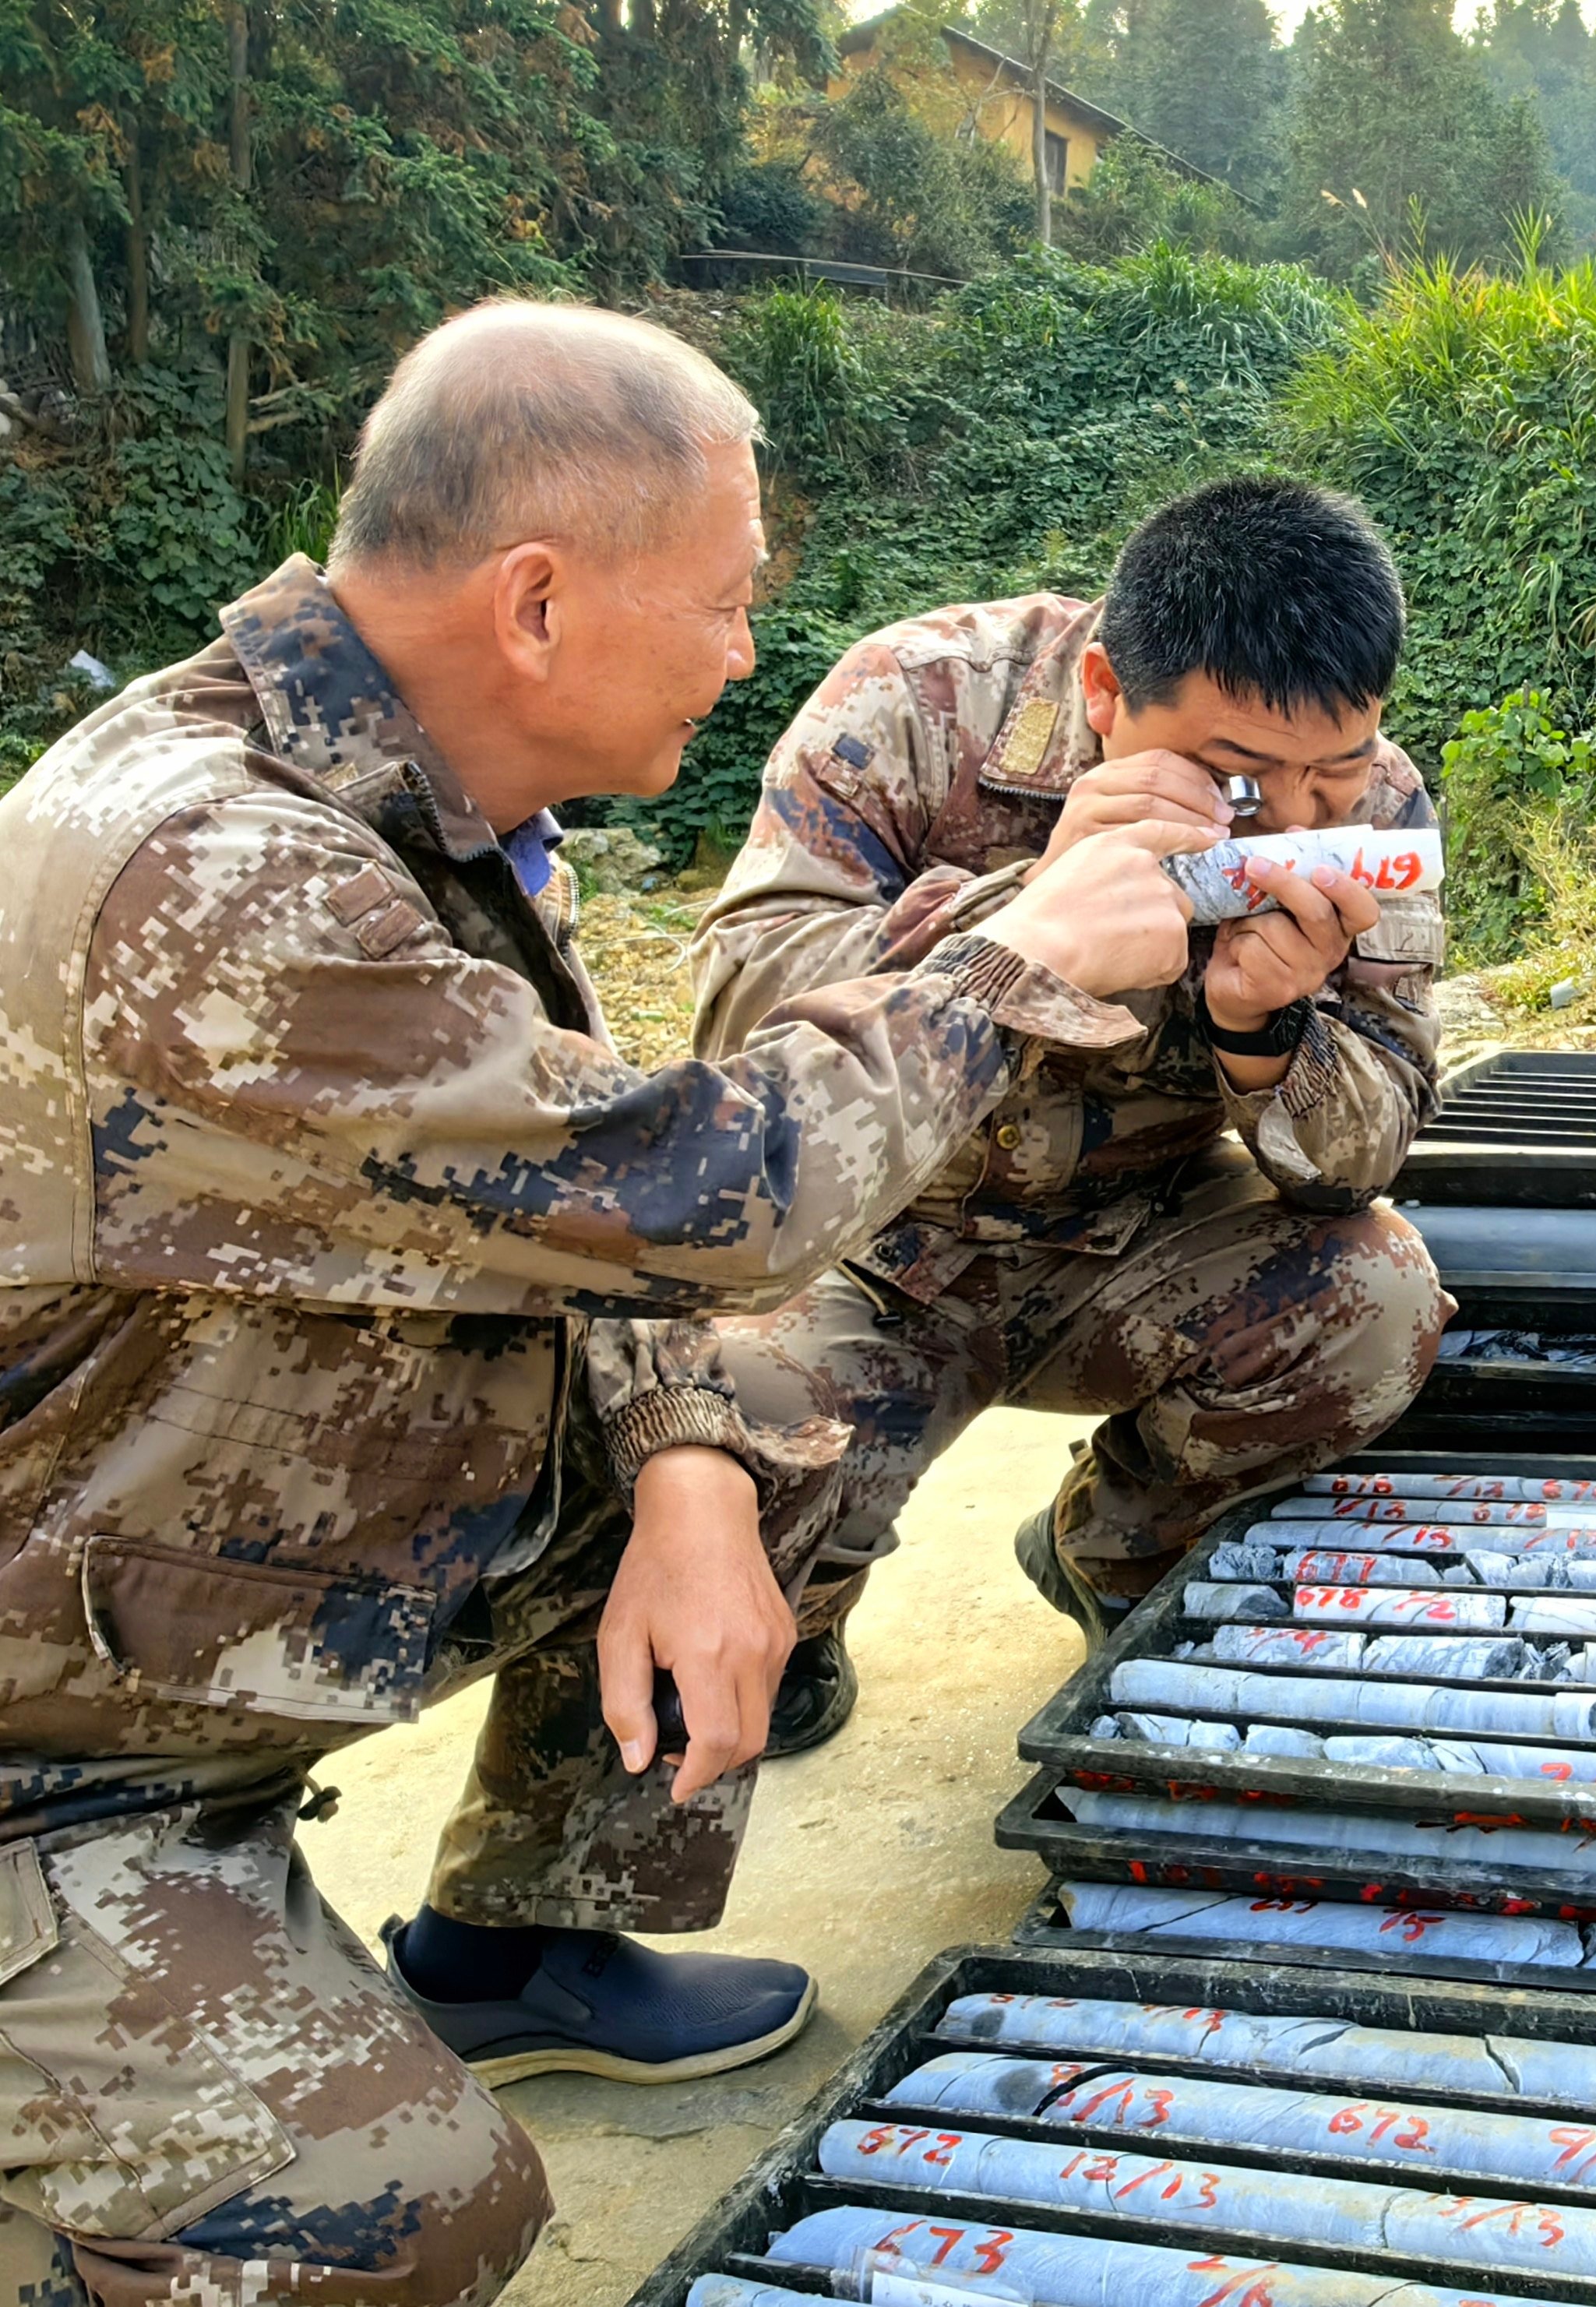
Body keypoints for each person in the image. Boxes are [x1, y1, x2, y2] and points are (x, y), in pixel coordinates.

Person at [0, 301, 1206, 2307]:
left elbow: (566, 1214)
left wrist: (692, 1480)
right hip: (45, 1741)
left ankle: (524, 1939)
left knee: (769, 1431)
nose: (748, 654)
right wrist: (1022, 958)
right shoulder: (207, 877)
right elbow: (688, 1183)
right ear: (538, 603)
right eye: (725, 603)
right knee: (394, 2218)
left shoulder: (408, 807)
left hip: (165, 1608)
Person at [692, 475, 1450, 1731]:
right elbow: (738, 1027)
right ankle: (805, 1608)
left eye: (1337, 772)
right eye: (1240, 779)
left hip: (1135, 1237)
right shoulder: (917, 701)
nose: (1297, 819)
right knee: (705, 1436)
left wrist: (1266, 1037)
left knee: (1374, 1294)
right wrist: (1027, 916)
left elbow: (1362, 1153)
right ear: (1104, 693)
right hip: (873, 1241)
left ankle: (1115, 1552)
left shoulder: (1375, 804)